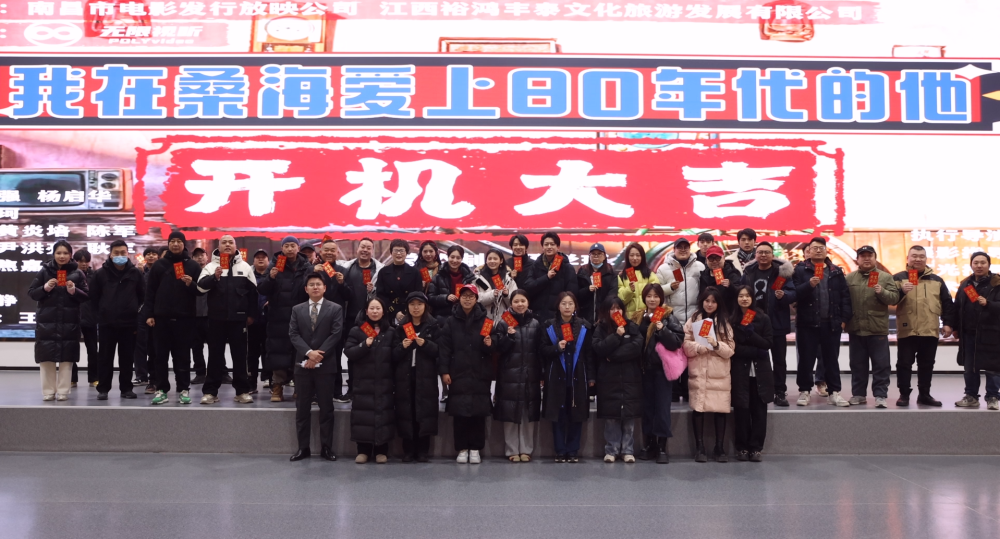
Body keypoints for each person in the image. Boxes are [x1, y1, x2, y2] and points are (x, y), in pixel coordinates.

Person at [196, 235, 259, 405]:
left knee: (240, 356)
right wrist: (214, 277)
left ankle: (242, 391)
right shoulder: (211, 267)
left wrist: (251, 315)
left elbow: (253, 294)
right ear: (219, 246)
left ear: (235, 246)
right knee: (215, 357)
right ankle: (210, 392)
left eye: (231, 242)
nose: (227, 245)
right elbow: (200, 288)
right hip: (216, 320)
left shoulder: (245, 267)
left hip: (239, 320)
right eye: (224, 242)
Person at [288, 273, 344, 462]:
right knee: (302, 409)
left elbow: (336, 334)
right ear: (306, 289)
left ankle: (326, 447)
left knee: (326, 408)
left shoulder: (335, 308)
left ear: (324, 287)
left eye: (318, 284)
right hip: (302, 365)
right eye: (311, 284)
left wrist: (318, 354)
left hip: (326, 366)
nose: (315, 287)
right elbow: (293, 334)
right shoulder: (297, 309)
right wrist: (308, 353)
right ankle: (302, 448)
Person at [143, 232, 203, 405]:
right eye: (172, 241)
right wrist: (149, 314)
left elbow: (201, 290)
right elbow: (150, 292)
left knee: (183, 356)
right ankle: (161, 390)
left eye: (179, 241)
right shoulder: (159, 265)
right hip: (161, 318)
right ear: (168, 244)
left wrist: (191, 284)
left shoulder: (192, 265)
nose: (176, 244)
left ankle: (183, 389)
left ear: (184, 244)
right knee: (160, 356)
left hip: (185, 319)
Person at [792, 237, 852, 407]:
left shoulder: (836, 271)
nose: (818, 250)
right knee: (806, 359)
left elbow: (845, 296)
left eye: (821, 248)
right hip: (807, 323)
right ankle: (804, 391)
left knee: (831, 360)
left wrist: (843, 320)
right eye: (815, 248)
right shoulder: (800, 270)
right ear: (808, 251)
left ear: (826, 251)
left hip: (831, 324)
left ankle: (834, 392)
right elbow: (794, 293)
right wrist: (809, 285)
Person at [439, 285, 495, 464]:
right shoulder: (451, 321)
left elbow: (493, 348)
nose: (467, 299)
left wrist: (490, 343)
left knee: (478, 414)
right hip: (458, 372)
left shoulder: (486, 321)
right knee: (460, 414)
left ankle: (476, 448)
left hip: (480, 372)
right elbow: (444, 348)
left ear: (477, 299)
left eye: (471, 296)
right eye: (464, 296)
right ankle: (462, 448)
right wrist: (444, 371)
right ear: (459, 298)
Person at [892, 245, 954, 406]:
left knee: (927, 364)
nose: (918, 259)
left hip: (929, 328)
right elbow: (888, 300)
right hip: (907, 328)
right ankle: (904, 394)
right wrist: (901, 291)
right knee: (904, 364)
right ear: (907, 258)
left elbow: (947, 303)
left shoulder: (937, 280)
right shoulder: (898, 278)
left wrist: (948, 323)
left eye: (921, 256)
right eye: (914, 256)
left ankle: (924, 395)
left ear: (926, 259)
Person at [28, 240, 89, 401]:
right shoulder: (44, 271)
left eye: (65, 253)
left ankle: (63, 390)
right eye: (58, 253)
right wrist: (46, 287)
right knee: (46, 358)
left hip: (69, 322)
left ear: (70, 255)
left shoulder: (77, 273)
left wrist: (73, 290)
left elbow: (86, 296)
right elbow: (32, 293)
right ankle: (48, 391)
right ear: (54, 254)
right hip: (46, 322)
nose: (62, 256)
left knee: (66, 359)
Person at [632, 283, 684, 463]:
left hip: (662, 371)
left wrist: (662, 329)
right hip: (643, 370)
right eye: (649, 296)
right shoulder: (638, 317)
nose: (652, 299)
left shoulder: (669, 317)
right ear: (644, 298)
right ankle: (649, 444)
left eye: (655, 296)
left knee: (662, 409)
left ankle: (662, 447)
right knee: (647, 408)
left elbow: (677, 342)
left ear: (661, 298)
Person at [739, 242, 796, 407]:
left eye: (767, 252)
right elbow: (740, 293)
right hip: (753, 320)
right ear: (755, 255)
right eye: (760, 252)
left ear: (772, 255)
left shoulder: (781, 272)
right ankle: (756, 391)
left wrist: (784, 295)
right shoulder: (749, 272)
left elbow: (793, 293)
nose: (763, 255)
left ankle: (780, 392)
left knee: (779, 360)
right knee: (754, 358)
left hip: (776, 320)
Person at [683, 286, 735, 463]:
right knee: (698, 409)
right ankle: (700, 448)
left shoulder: (724, 321)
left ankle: (719, 448)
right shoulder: (694, 319)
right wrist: (698, 347)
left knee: (720, 410)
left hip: (718, 372)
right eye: (707, 301)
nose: (710, 304)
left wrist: (716, 345)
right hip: (698, 370)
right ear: (702, 301)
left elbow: (731, 349)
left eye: (713, 301)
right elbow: (685, 344)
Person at [540, 291, 593, 463]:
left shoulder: (584, 326)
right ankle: (560, 450)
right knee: (559, 415)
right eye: (564, 303)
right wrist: (557, 348)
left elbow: (589, 354)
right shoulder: (549, 326)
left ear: (575, 306)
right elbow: (542, 350)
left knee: (576, 414)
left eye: (570, 303)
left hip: (578, 376)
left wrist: (591, 377)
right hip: (556, 376)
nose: (567, 307)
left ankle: (573, 450)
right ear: (558, 306)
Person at [257, 236, 311, 403]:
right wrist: (271, 278)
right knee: (277, 351)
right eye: (286, 246)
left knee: (299, 352)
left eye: (292, 245)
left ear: (298, 248)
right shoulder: (275, 265)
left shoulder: (306, 266)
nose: (289, 249)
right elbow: (262, 289)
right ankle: (277, 386)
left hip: (301, 317)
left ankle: (299, 386)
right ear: (282, 248)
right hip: (278, 316)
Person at [845, 246, 900, 408]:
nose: (867, 259)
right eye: (863, 256)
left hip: (877, 329)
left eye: (870, 256)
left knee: (881, 365)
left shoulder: (885, 277)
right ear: (857, 260)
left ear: (875, 258)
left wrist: (882, 291)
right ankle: (859, 394)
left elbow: (894, 298)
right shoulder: (849, 278)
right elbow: (843, 301)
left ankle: (880, 395)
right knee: (857, 365)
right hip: (856, 328)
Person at [344, 297, 398, 463]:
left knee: (384, 415)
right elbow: (349, 352)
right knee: (363, 416)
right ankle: (363, 450)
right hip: (363, 382)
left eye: (378, 308)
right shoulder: (357, 330)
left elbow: (396, 356)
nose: (375, 311)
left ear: (383, 311)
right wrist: (364, 345)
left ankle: (382, 450)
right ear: (366, 311)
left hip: (385, 382)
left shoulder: (391, 331)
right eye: (372, 308)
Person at [592, 296, 644, 463]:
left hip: (630, 378)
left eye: (619, 308)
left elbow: (636, 347)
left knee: (629, 418)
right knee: (611, 417)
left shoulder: (632, 326)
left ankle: (628, 450)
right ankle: (612, 450)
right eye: (612, 308)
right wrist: (616, 336)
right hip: (608, 379)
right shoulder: (600, 328)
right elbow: (599, 348)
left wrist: (612, 356)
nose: (616, 311)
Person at [90, 240, 144, 400]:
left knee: (127, 358)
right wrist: (101, 315)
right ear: (111, 254)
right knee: (105, 358)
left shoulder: (135, 273)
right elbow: (93, 298)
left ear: (128, 254)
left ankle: (126, 389)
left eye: (123, 253)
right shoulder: (100, 274)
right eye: (116, 253)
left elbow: (142, 296)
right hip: (107, 323)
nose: (120, 256)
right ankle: (103, 389)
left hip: (129, 323)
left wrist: (135, 314)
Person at [493, 289, 542, 462]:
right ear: (511, 304)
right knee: (510, 413)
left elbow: (539, 351)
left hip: (530, 374)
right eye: (516, 301)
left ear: (528, 303)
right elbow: (498, 349)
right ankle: (512, 450)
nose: (520, 304)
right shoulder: (504, 322)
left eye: (523, 301)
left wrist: (541, 373)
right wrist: (508, 336)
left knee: (528, 413)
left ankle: (526, 450)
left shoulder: (535, 323)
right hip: (509, 375)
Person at [391, 292, 441, 462]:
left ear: (425, 306)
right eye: (412, 304)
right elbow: (393, 355)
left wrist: (425, 344)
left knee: (424, 411)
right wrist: (402, 346)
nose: (416, 308)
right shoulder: (401, 327)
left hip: (426, 376)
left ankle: (423, 450)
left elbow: (439, 350)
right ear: (407, 307)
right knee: (407, 411)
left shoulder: (433, 325)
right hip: (405, 376)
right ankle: (408, 450)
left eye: (419, 304)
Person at [656, 237, 705, 402]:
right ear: (674, 249)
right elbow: (656, 291)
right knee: (674, 355)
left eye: (686, 247)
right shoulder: (664, 268)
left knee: (691, 355)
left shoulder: (699, 267)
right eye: (680, 247)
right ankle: (674, 392)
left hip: (693, 318)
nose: (683, 250)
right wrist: (669, 287)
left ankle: (688, 390)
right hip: (673, 318)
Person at [729, 285, 774, 463]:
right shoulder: (732, 320)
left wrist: (752, 335)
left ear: (753, 298)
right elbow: (734, 348)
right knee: (741, 410)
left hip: (760, 372)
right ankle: (742, 447)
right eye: (741, 296)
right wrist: (756, 351)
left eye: (748, 296)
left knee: (759, 411)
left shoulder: (763, 318)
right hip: (740, 371)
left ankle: (756, 448)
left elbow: (767, 344)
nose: (744, 299)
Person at [953, 252, 1000, 410]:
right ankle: (971, 396)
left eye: (983, 263)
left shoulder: (997, 283)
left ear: (989, 265)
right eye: (976, 263)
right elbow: (957, 307)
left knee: (992, 367)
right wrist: (955, 327)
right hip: (969, 333)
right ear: (971, 265)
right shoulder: (965, 284)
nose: (979, 266)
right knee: (970, 368)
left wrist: (989, 304)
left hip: (991, 333)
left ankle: (993, 397)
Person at [340, 237, 384, 400]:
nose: (365, 250)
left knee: (371, 353)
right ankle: (351, 388)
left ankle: (370, 389)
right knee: (352, 353)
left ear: (372, 251)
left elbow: (382, 296)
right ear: (357, 249)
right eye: (362, 247)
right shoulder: (347, 268)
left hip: (370, 320)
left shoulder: (379, 270)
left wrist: (373, 291)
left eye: (368, 248)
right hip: (350, 319)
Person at [312, 239, 352, 401]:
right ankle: (316, 393)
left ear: (337, 253)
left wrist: (342, 283)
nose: (329, 253)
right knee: (316, 356)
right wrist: (312, 273)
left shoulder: (343, 271)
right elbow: (301, 293)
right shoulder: (314, 270)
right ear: (320, 252)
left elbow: (349, 296)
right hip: (315, 320)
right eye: (326, 250)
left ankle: (336, 392)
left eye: (332, 250)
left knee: (335, 357)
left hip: (336, 321)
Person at [526, 232, 578, 321]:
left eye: (552, 244)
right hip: (537, 316)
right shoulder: (535, 266)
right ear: (542, 247)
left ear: (558, 247)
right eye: (546, 244)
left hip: (558, 317)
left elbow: (572, 293)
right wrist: (546, 277)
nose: (549, 247)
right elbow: (528, 287)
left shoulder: (567, 267)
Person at [376, 239, 423, 323]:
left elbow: (418, 294)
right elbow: (380, 295)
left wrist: (406, 311)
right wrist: (395, 312)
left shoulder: (415, 272)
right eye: (396, 250)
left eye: (401, 251)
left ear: (406, 253)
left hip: (409, 313)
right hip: (389, 313)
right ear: (391, 253)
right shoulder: (383, 272)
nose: (398, 253)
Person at [133, 246, 159, 392]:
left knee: (153, 347)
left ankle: (154, 377)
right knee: (139, 346)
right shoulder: (139, 272)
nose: (151, 256)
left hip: (156, 313)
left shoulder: (161, 271)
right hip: (140, 313)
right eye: (148, 254)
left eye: (154, 254)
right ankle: (141, 375)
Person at [72, 249, 98, 388]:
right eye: (80, 261)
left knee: (92, 349)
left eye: (86, 261)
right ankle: (72, 379)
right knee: (71, 349)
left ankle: (93, 378)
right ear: (75, 261)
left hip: (90, 316)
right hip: (73, 316)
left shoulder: (95, 276)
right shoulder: (69, 275)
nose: (83, 264)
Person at [576, 243, 618, 323]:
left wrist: (603, 314)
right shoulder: (582, 272)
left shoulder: (611, 273)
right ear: (589, 256)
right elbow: (576, 294)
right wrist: (587, 290)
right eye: (593, 254)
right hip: (584, 317)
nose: (596, 256)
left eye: (599, 254)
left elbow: (612, 294)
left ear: (604, 256)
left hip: (604, 317)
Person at [617, 242, 659, 319]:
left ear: (642, 257)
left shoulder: (650, 275)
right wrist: (629, 290)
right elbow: (620, 300)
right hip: (629, 318)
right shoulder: (621, 276)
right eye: (632, 255)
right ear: (627, 257)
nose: (635, 258)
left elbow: (657, 297)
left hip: (646, 318)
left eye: (638, 255)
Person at [429, 244, 475, 316]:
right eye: (452, 257)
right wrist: (445, 298)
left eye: (458, 258)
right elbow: (430, 298)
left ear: (462, 259)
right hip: (443, 317)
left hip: (463, 315)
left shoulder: (469, 277)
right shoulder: (439, 275)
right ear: (448, 257)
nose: (455, 260)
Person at [248, 249, 270, 391]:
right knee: (252, 354)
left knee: (268, 352)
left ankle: (268, 378)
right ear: (253, 261)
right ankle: (251, 383)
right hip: (252, 321)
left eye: (263, 257)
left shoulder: (273, 275)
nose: (260, 259)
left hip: (269, 321)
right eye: (258, 257)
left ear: (268, 260)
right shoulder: (248, 276)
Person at [474, 248, 517, 321]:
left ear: (501, 261)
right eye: (489, 259)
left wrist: (506, 295)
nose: (492, 261)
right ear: (486, 261)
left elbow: (515, 301)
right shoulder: (477, 278)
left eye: (495, 259)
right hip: (483, 318)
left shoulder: (508, 280)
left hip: (503, 319)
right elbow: (475, 299)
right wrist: (492, 294)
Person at [190, 247, 210, 385]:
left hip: (211, 315)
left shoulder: (213, 271)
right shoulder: (189, 273)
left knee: (215, 345)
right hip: (194, 315)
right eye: (196, 256)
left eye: (202, 255)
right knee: (196, 347)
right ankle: (200, 373)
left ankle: (221, 372)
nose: (200, 258)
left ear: (207, 257)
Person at [699, 245, 740, 312]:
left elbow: (740, 293)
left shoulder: (732, 274)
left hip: (727, 313)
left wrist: (731, 286)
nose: (714, 261)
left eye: (717, 258)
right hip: (708, 313)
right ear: (706, 260)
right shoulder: (703, 275)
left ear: (723, 258)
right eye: (711, 258)